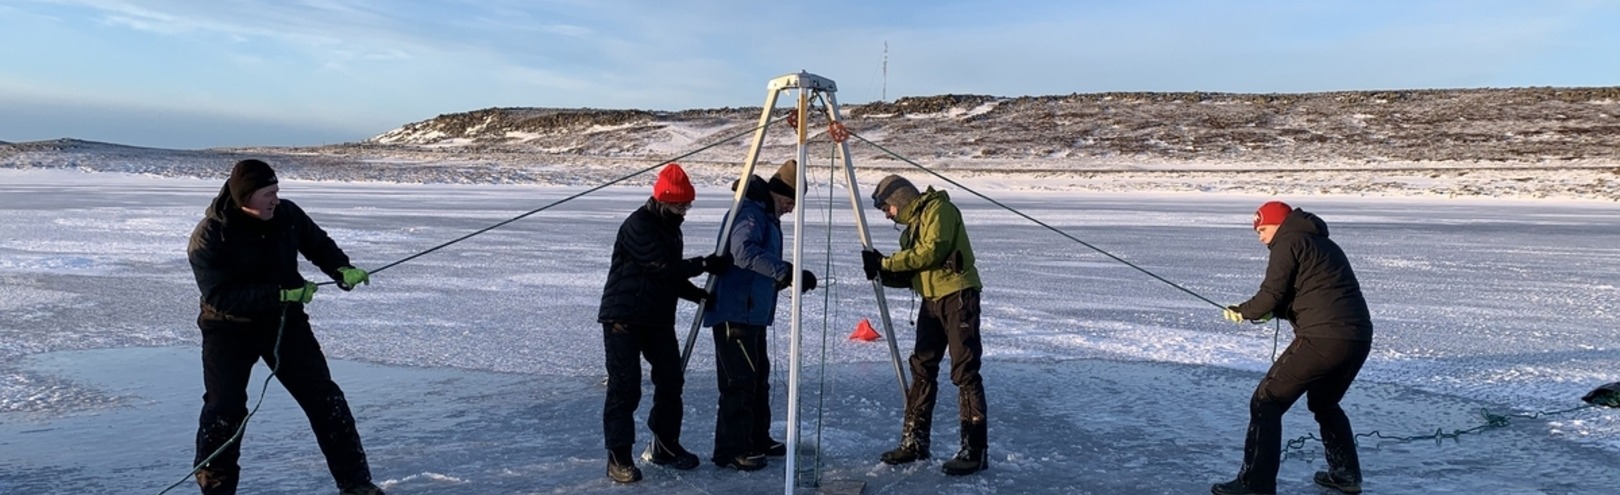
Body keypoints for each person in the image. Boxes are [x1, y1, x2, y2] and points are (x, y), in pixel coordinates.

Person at [186, 159, 382, 495]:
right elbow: (219, 296)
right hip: (228, 329)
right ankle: (217, 490)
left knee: (325, 399)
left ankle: (357, 485)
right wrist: (280, 293)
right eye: (268, 193)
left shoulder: (288, 216)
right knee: (225, 409)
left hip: (285, 323)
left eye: (277, 191)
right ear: (245, 197)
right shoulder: (209, 235)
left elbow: (318, 244)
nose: (275, 199)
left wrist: (341, 270)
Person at [1211, 201, 1373, 495]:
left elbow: (1271, 292)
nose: (1260, 237)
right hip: (1356, 339)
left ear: (1278, 224)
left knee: (1266, 401)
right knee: (1324, 403)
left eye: (1262, 229)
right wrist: (1273, 311)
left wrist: (1245, 310)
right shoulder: (1322, 244)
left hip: (1322, 339)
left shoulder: (1288, 242)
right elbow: (1312, 294)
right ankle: (1345, 475)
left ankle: (1255, 485)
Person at [597, 163, 728, 483]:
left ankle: (665, 446)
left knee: (671, 381)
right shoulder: (638, 224)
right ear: (661, 200)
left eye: (687, 205)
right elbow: (660, 266)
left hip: (657, 318)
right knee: (624, 388)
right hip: (623, 319)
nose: (684, 211)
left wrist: (697, 294)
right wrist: (703, 264)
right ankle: (619, 458)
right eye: (678, 205)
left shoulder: (672, 228)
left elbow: (670, 277)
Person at [861, 174, 989, 476]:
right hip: (931, 300)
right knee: (922, 367)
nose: (887, 214)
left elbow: (933, 252)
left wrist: (886, 263)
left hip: (958, 296)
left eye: (887, 208)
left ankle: (974, 450)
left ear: (900, 200)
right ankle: (914, 442)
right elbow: (915, 270)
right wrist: (880, 271)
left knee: (965, 370)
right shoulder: (911, 228)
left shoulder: (939, 211)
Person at [701, 159, 817, 471]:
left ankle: (757, 438)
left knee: (758, 380)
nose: (792, 209)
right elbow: (743, 253)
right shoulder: (751, 213)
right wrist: (786, 272)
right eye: (791, 202)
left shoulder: (765, 216)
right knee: (739, 383)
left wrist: (781, 280)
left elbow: (757, 268)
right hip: (734, 313)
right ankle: (732, 450)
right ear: (780, 194)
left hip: (752, 312)